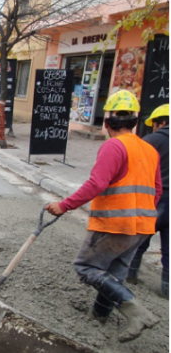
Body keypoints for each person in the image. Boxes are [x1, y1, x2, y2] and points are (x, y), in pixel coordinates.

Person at [45, 90, 161, 343]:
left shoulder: (114, 146)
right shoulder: (149, 149)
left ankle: (136, 311)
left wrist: (64, 205)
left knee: (86, 267)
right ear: (135, 120)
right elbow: (158, 189)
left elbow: (97, 183)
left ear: (107, 121)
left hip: (115, 223)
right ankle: (98, 317)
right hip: (142, 224)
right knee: (114, 274)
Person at [126, 104, 169, 298]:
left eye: (155, 124)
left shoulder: (151, 141)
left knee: (140, 240)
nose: (153, 128)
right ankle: (167, 289)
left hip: (156, 200)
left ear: (163, 122)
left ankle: (130, 275)